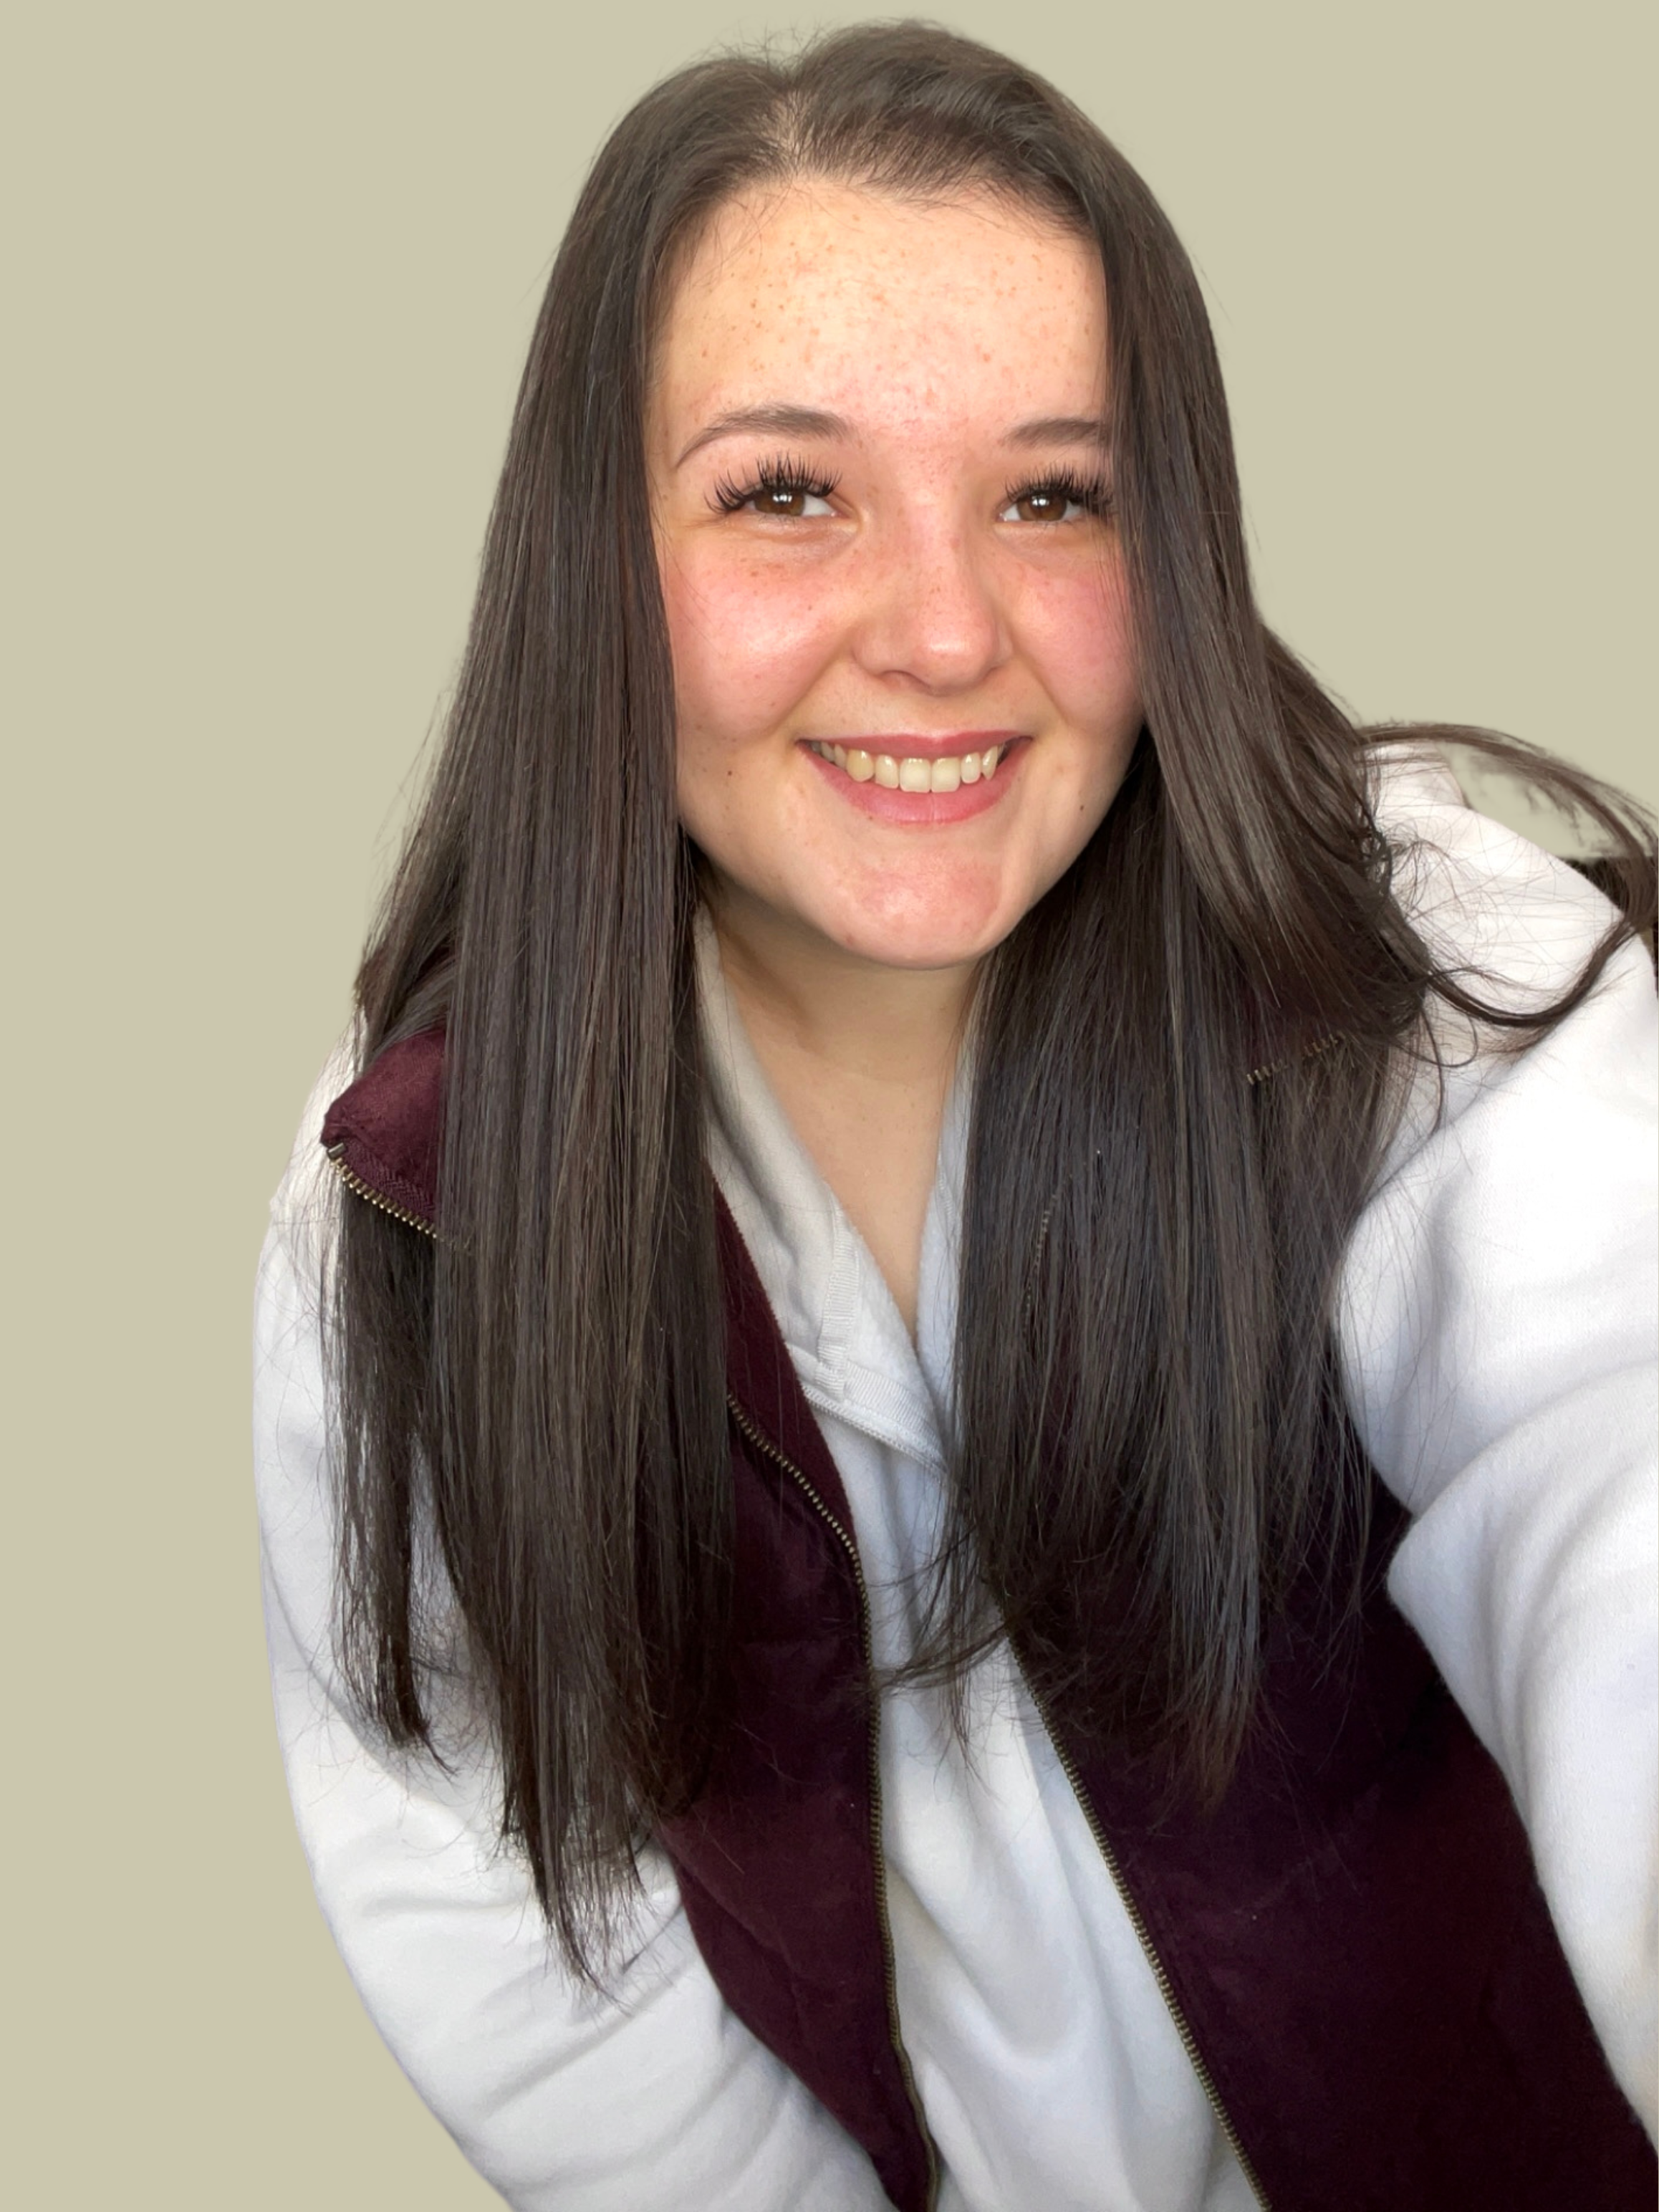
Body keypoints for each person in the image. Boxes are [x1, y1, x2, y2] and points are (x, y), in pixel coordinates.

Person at [252, 22, 1657, 2211]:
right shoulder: (413, 1203)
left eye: (1053, 494)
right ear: (596, 563)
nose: (940, 629)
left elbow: (1624, 1488)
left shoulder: (1418, 989)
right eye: (785, 492)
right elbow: (498, 1903)